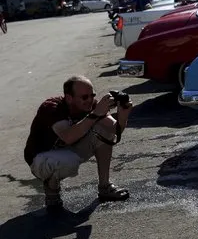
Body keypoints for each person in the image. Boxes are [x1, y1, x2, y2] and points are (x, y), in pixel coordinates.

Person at [24, 75, 133, 213]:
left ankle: (105, 186)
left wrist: (123, 114)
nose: (90, 100)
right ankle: (52, 188)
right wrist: (95, 114)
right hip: (41, 159)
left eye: (92, 95)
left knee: (104, 132)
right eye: (84, 97)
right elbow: (68, 136)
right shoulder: (52, 107)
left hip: (69, 151)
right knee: (69, 160)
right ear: (69, 98)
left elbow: (114, 130)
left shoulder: (92, 105)